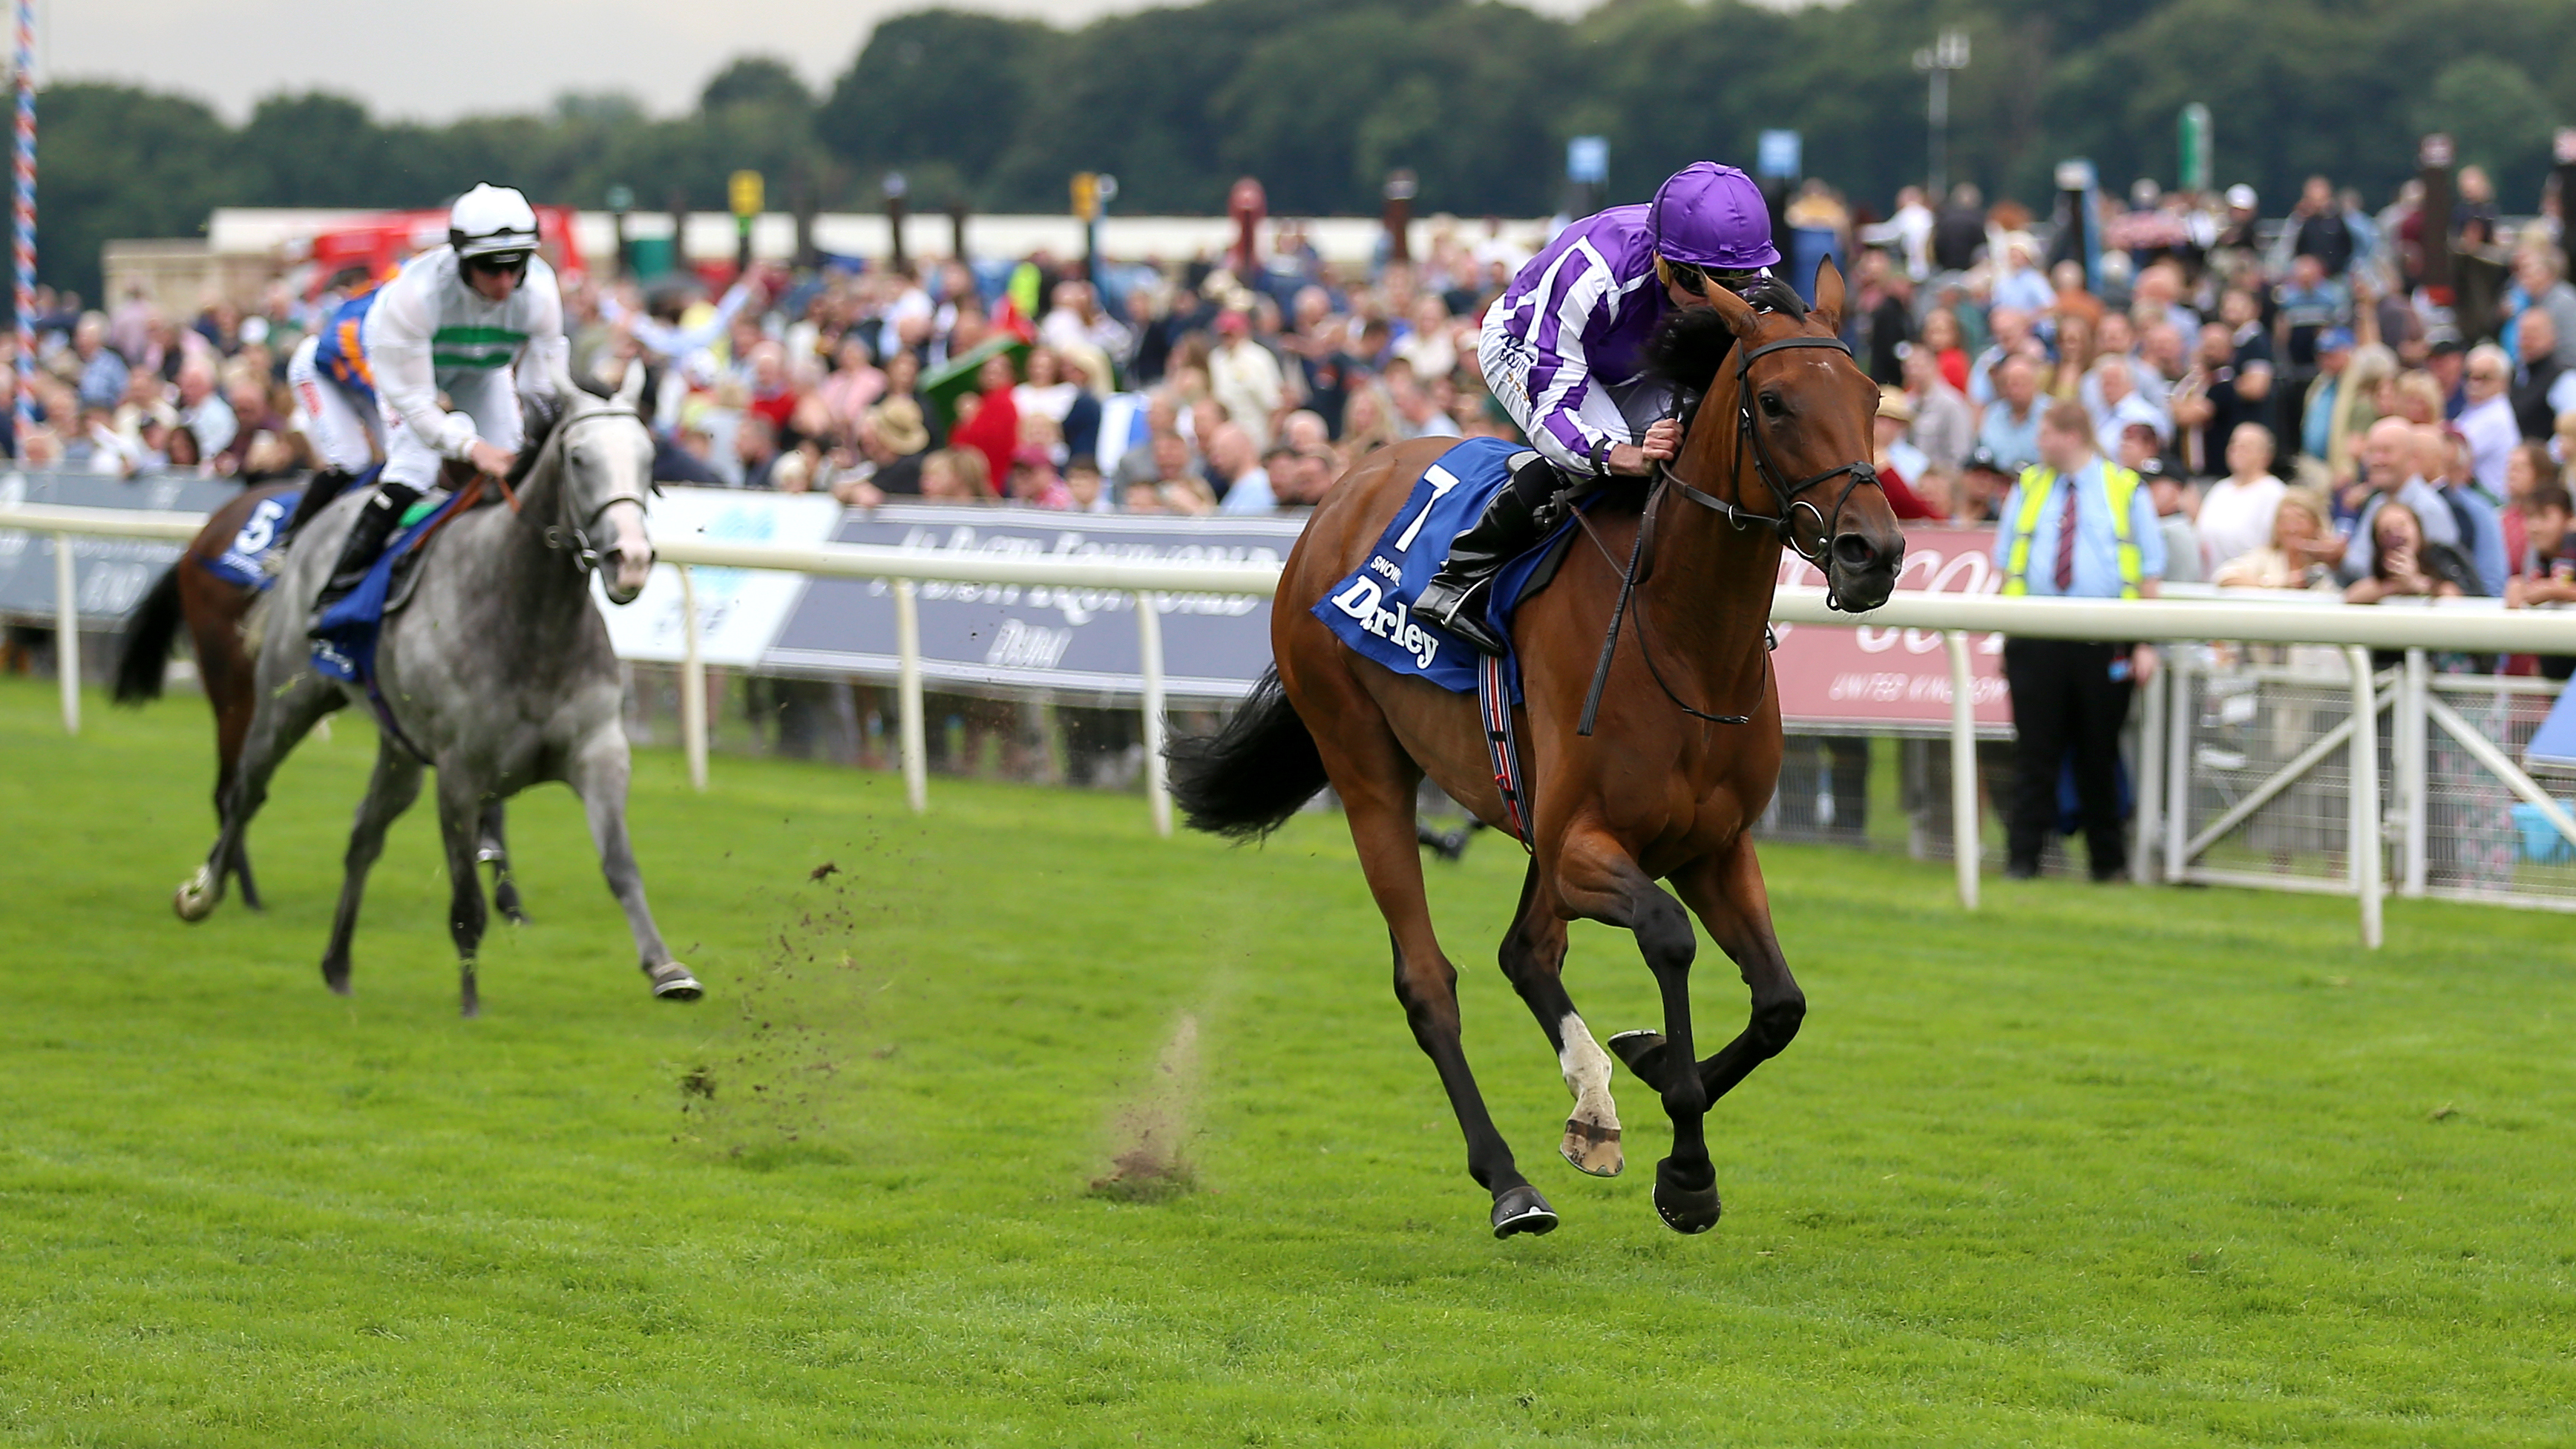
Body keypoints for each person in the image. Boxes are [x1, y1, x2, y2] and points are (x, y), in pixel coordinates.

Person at [1415, 161, 1780, 652]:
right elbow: (1554, 418)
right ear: (1661, 260)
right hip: (1534, 346)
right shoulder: (1591, 271)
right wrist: (1627, 455)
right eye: (1700, 285)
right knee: (1605, 461)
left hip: (1636, 357)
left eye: (1732, 286)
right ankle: (1460, 577)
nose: (1718, 302)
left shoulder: (1755, 278)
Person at [309, 184, 567, 624]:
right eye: (490, 268)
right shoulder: (416, 297)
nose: (505, 284)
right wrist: (473, 448)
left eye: (516, 267)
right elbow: (419, 409)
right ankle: (333, 597)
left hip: (479, 367)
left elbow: (546, 393)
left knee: (518, 464)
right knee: (414, 467)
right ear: (462, 259)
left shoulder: (541, 294)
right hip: (393, 366)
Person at [1990, 401, 2166, 881]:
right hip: (2036, 636)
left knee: (2099, 754)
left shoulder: (2125, 489)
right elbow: (2007, 563)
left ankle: (2106, 865)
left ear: (2070, 435)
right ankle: (2022, 861)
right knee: (2032, 755)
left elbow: (2149, 573)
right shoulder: (2028, 486)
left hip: (2104, 638)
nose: (2038, 443)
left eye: (2044, 432)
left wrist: (2145, 642)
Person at [2196, 423, 2287, 575]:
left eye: (2247, 446)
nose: (2237, 450)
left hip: (2249, 580)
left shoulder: (2274, 492)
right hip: (2211, 579)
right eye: (2234, 444)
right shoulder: (2220, 488)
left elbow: (2275, 544)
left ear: (2265, 456)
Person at [2344, 500, 2472, 604]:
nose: (2395, 534)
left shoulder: (2440, 557)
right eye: (2386, 531)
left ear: (2418, 531)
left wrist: (2417, 584)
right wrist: (2396, 586)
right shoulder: (2379, 581)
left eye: (2402, 526)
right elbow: (2352, 597)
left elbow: (2453, 597)